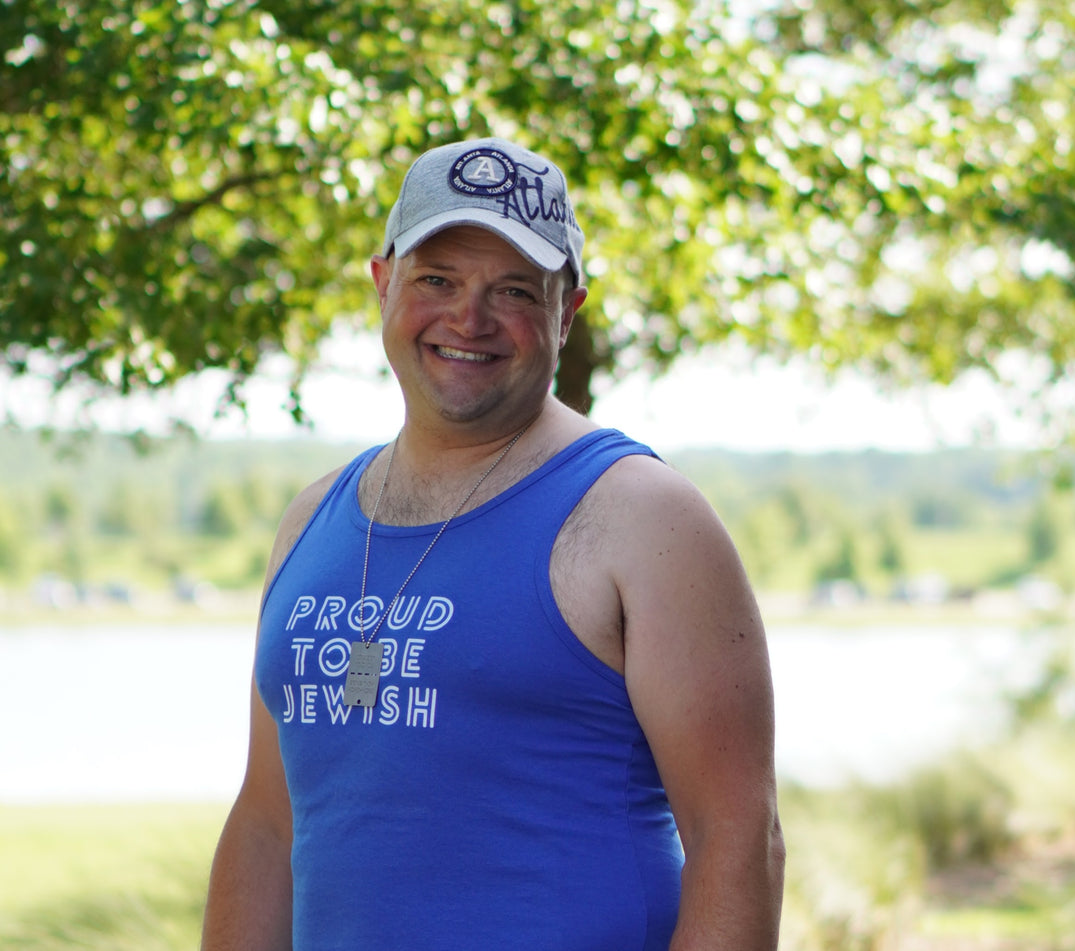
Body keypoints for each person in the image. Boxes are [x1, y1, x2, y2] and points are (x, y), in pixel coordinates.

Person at [200, 137, 785, 950]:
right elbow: (267, 822)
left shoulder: (645, 517)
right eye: (436, 279)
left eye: (512, 289)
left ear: (566, 309)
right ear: (383, 283)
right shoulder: (311, 519)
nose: (468, 318)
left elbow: (737, 838)